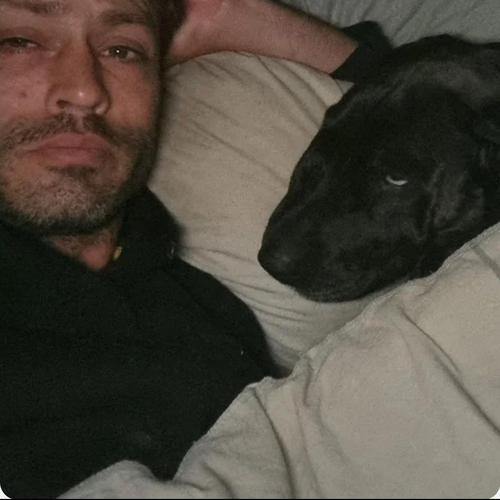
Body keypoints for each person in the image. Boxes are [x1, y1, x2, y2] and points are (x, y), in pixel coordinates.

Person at [0, 0, 372, 497]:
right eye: (18, 42)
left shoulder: (201, 303)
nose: (86, 90)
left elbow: (433, 106)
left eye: (122, 50)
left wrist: (218, 15)